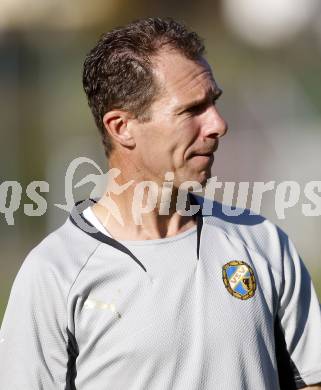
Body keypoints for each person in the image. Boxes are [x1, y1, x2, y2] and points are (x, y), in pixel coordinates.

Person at [0, 17, 320, 390]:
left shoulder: (261, 242)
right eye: (191, 110)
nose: (218, 124)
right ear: (122, 127)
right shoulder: (55, 273)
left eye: (213, 102)